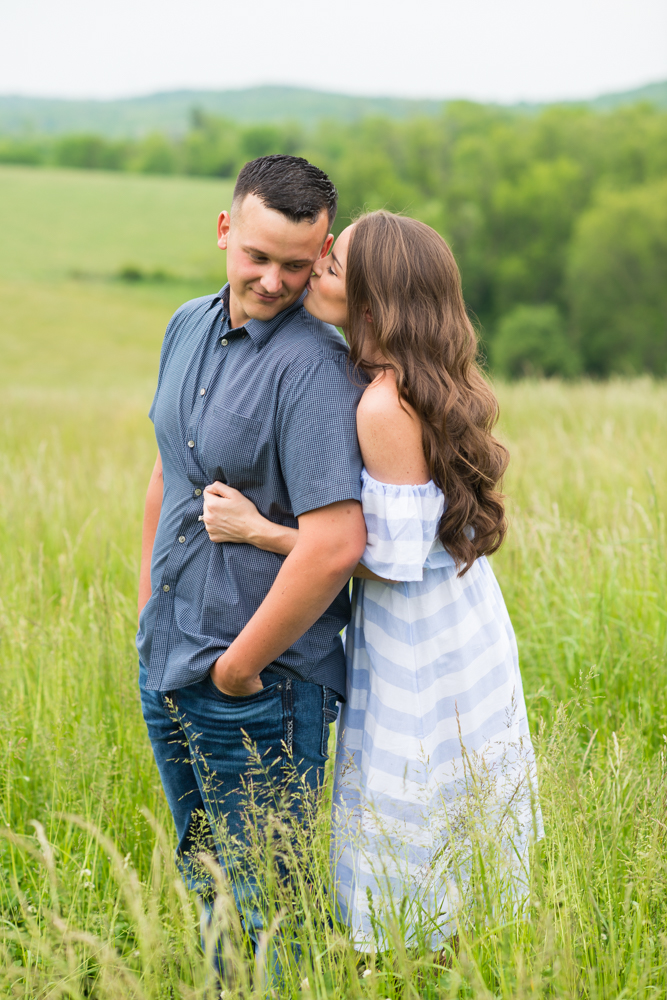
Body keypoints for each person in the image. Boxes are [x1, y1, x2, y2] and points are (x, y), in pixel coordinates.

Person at [201, 210, 543, 950]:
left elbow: (383, 553)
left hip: (417, 636)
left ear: (373, 297)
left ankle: (405, 961)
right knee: (456, 806)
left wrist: (260, 529)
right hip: (461, 613)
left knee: (408, 810)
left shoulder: (383, 403)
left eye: (331, 266)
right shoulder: (416, 379)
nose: (314, 268)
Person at [136, 155, 368, 969]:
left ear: (324, 249)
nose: (273, 280)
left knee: (275, 913)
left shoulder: (313, 365)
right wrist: (146, 609)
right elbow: (169, 471)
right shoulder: (184, 324)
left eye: (297, 265)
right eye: (258, 257)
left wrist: (238, 671)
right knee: (206, 884)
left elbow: (337, 541)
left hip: (261, 686)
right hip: (168, 657)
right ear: (226, 229)